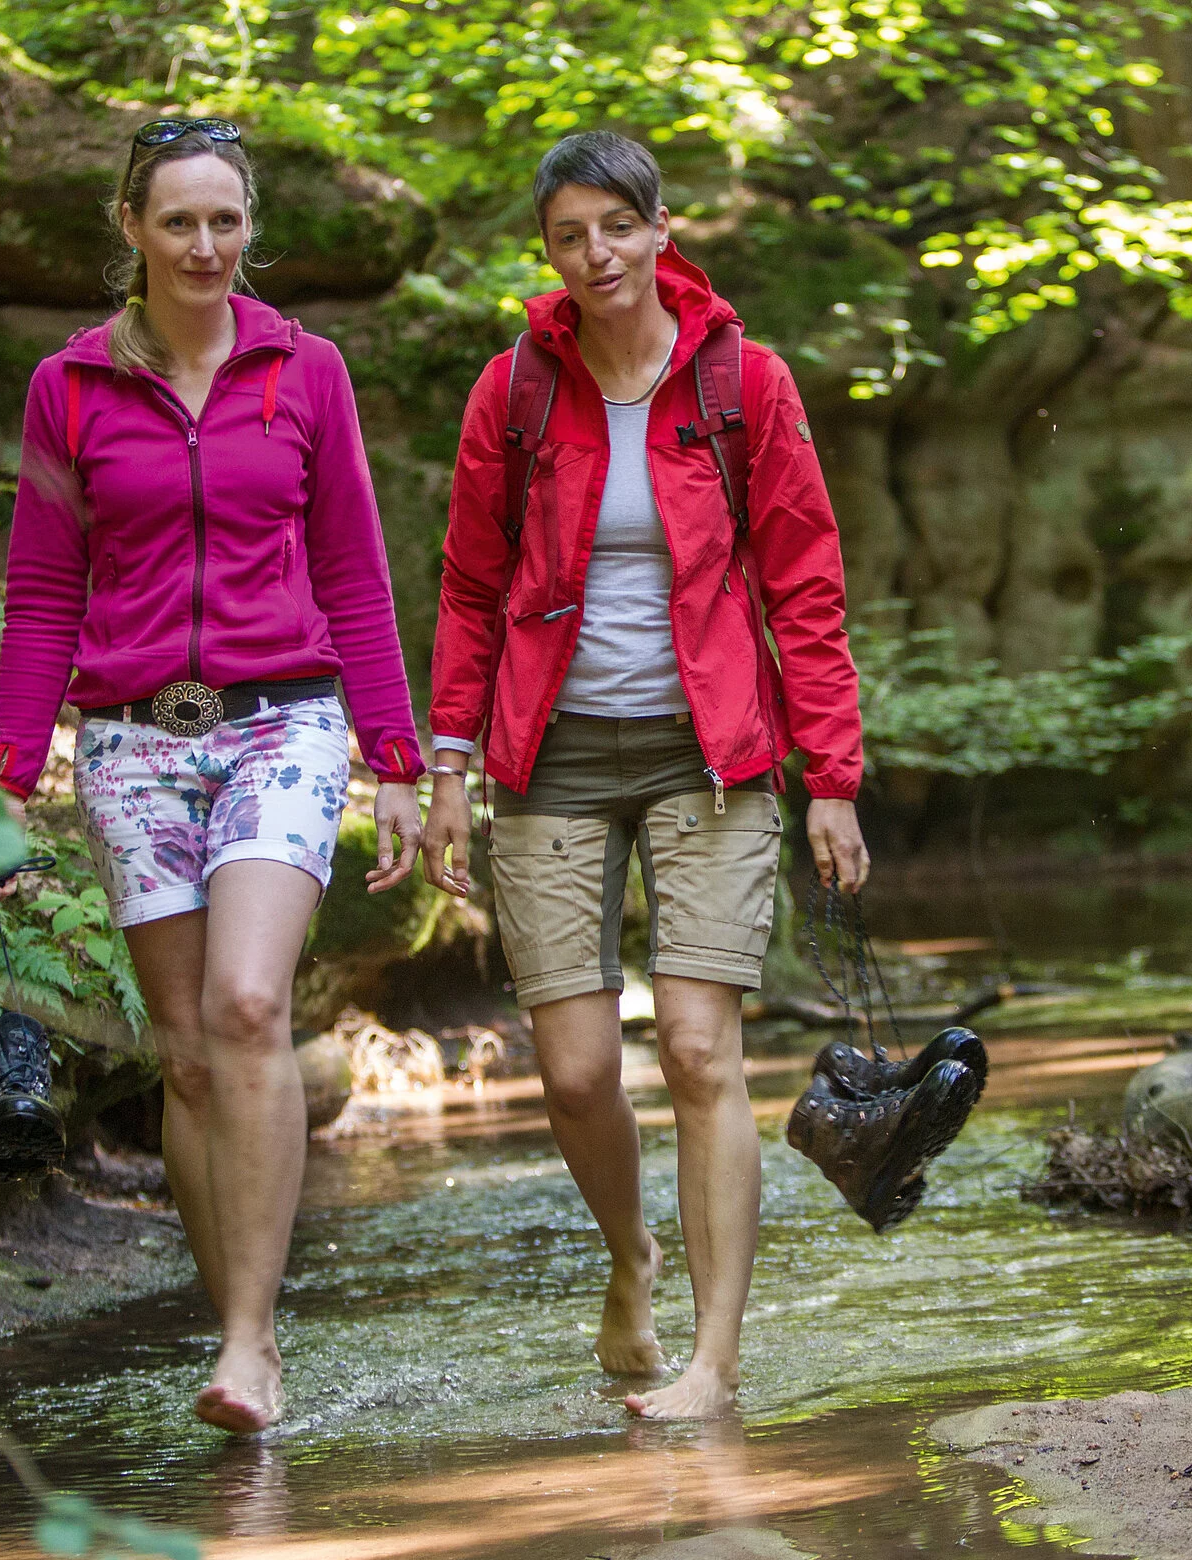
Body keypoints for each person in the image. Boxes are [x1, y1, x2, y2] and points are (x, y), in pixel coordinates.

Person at [0, 117, 425, 1435]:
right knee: (182, 1059)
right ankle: (236, 1326)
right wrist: (1, 782)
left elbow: (351, 566)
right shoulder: (69, 386)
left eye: (227, 220)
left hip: (284, 723)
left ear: (250, 227)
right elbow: (44, 591)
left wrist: (393, 758)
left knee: (244, 1007)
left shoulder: (307, 370)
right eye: (181, 221)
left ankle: (248, 1342)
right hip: (128, 741)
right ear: (132, 229)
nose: (207, 245)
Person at [422, 130, 869, 1419]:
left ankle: (713, 1365)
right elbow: (467, 588)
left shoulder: (743, 383)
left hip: (710, 750)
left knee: (695, 1047)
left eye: (617, 226)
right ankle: (632, 1258)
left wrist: (828, 773)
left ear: (661, 231)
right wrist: (449, 763)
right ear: (550, 254)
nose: (596, 253)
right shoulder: (515, 391)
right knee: (570, 1070)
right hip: (547, 749)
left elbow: (805, 580)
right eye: (570, 235)